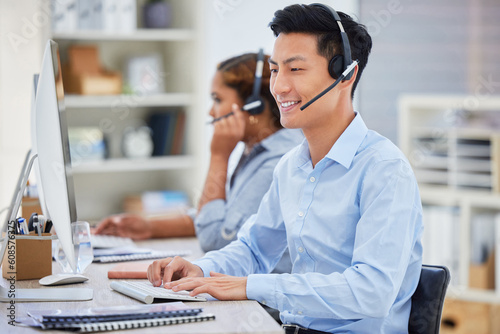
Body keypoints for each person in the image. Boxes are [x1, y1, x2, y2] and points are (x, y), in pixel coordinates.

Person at [147, 4, 423, 334]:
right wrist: (200, 270)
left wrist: (252, 286)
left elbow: (371, 292)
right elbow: (253, 248)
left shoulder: (384, 171)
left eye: (295, 70)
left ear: (345, 74)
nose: (278, 87)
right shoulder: (292, 166)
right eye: (275, 70)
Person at [95, 51, 303, 274]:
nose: (211, 111)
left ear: (254, 106)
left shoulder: (278, 160)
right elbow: (217, 216)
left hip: (262, 304)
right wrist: (147, 227)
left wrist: (218, 156)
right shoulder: (255, 150)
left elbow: (215, 238)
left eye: (217, 99)